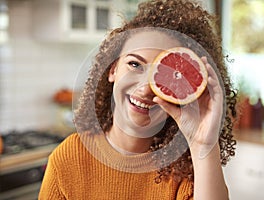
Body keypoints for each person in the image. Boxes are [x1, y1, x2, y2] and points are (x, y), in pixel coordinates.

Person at [39, 0, 237, 199]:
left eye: (165, 75)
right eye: (135, 64)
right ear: (113, 69)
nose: (145, 88)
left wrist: (203, 146)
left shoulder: (187, 172)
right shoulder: (68, 158)